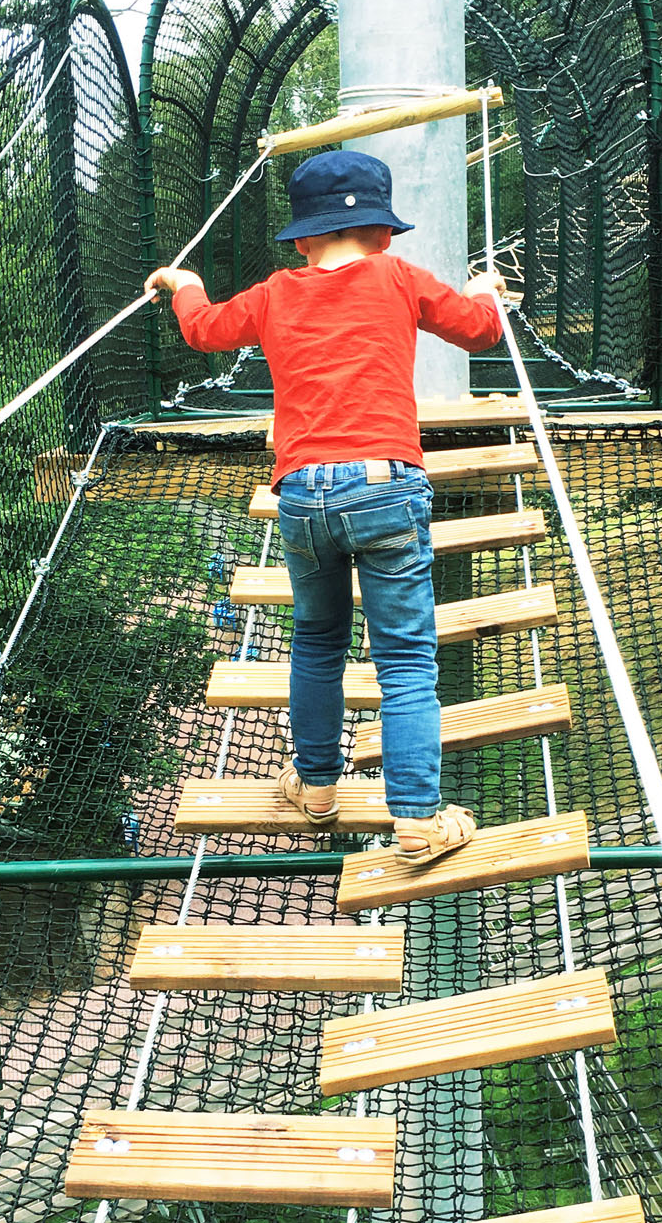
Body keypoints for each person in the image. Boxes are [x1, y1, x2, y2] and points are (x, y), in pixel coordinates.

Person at [145, 150, 506, 866]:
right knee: (405, 660)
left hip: (303, 494)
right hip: (385, 486)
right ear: (384, 233)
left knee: (315, 642)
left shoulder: (278, 291)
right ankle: (416, 819)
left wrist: (186, 285)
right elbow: (479, 330)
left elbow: (204, 329)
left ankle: (315, 786)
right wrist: (487, 291)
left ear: (304, 239)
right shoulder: (400, 278)